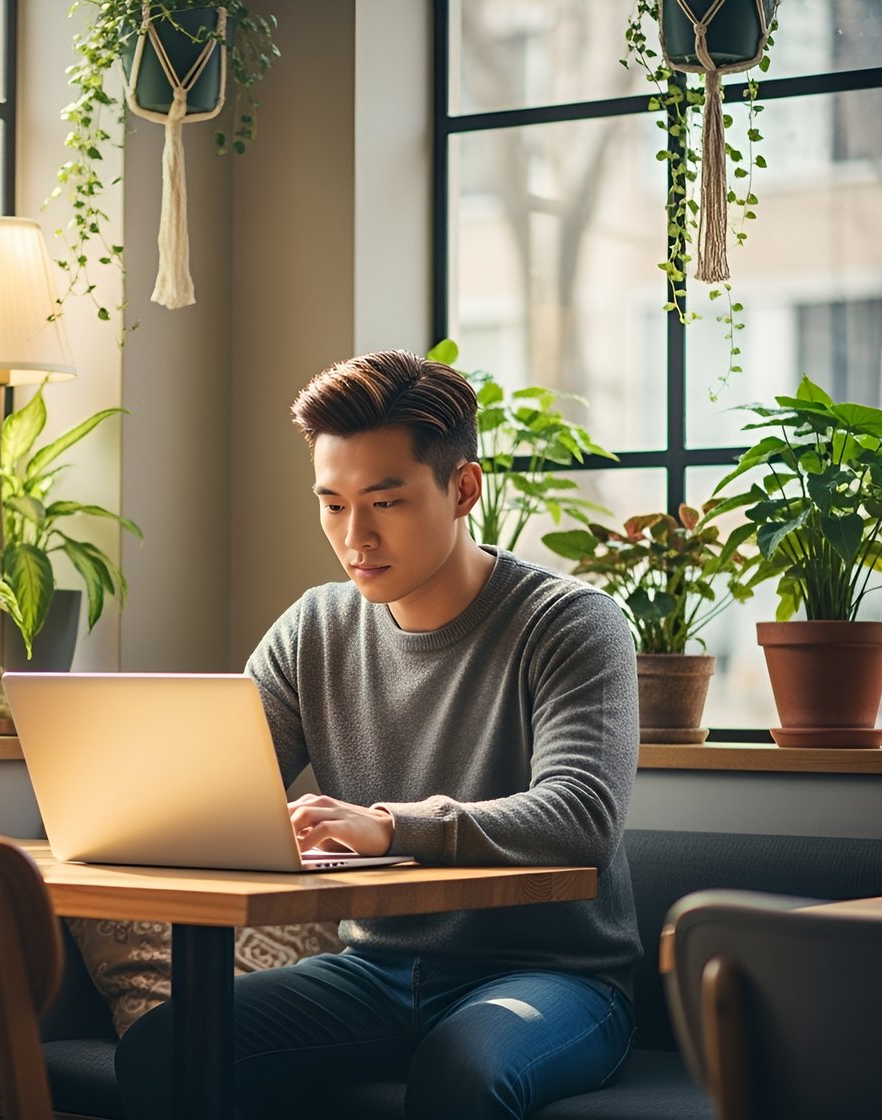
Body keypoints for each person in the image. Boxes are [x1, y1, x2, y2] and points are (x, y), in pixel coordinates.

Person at [114, 349, 641, 1119]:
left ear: (463, 488)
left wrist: (392, 825)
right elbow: (219, 786)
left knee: (464, 1073)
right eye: (332, 503)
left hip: (554, 976)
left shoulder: (570, 623)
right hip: (375, 973)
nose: (354, 535)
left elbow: (582, 815)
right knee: (164, 1050)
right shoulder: (316, 628)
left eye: (385, 502)